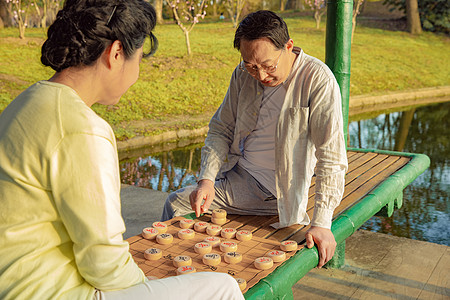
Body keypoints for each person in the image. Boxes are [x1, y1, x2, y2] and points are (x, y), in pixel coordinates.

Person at [0, 1, 243, 299]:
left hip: (14, 283)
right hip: (50, 292)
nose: (137, 71)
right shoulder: (82, 128)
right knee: (223, 286)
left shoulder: (26, 102)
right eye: (139, 59)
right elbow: (103, 263)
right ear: (116, 54)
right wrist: (148, 284)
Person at [162, 10, 348, 269]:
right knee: (180, 203)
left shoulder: (317, 79)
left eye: (268, 66)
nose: (260, 76)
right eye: (251, 66)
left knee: (179, 206)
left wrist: (322, 223)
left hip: (277, 191)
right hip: (238, 173)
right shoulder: (242, 74)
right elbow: (221, 129)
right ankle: (182, 274)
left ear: (289, 46)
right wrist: (206, 181)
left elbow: (332, 156)